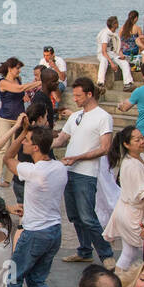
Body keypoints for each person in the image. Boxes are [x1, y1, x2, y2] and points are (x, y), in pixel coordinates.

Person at [3, 124, 68, 287]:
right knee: (37, 280)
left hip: (35, 233)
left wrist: (20, 131)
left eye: (28, 140)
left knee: (13, 279)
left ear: (37, 146)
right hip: (54, 231)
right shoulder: (59, 168)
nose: (24, 143)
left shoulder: (33, 171)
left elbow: (7, 157)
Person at [53, 77, 115, 266]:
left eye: (79, 96)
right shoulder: (75, 116)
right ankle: (84, 250)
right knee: (74, 216)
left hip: (86, 173)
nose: (75, 99)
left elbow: (105, 148)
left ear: (89, 94)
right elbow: (62, 139)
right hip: (69, 171)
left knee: (88, 216)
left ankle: (106, 254)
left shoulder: (103, 117)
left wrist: (78, 157)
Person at [104, 126, 144, 270]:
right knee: (130, 253)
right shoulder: (131, 165)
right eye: (137, 140)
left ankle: (120, 282)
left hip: (131, 211)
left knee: (129, 253)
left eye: (142, 138)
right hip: (133, 214)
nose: (142, 142)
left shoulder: (141, 156)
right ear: (127, 144)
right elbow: (143, 195)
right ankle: (119, 282)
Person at [0, 57, 39, 186]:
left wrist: (25, 96)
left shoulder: (18, 80)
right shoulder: (3, 83)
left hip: (18, 118)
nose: (19, 71)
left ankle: (8, 179)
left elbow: (21, 93)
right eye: (17, 68)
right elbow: (19, 89)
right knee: (3, 147)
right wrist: (38, 83)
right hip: (5, 118)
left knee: (15, 148)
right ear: (10, 68)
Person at [97, 16, 133, 89]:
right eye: (117, 22)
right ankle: (100, 82)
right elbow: (104, 51)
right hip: (104, 54)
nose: (118, 24)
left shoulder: (115, 34)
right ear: (114, 24)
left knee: (124, 63)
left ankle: (128, 83)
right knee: (104, 61)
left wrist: (121, 55)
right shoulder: (105, 34)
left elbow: (117, 48)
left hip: (113, 54)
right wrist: (112, 63)